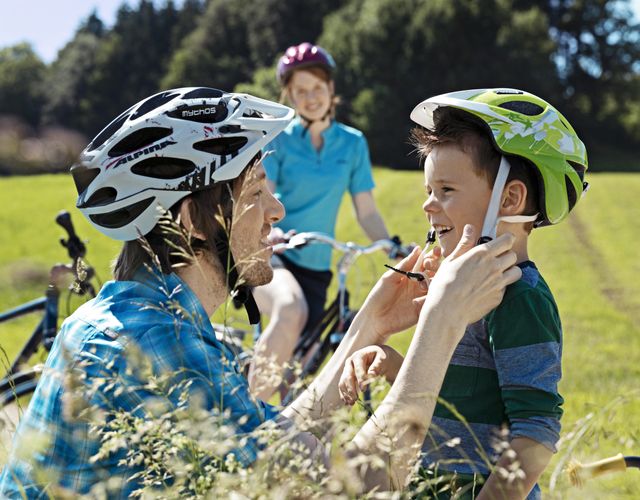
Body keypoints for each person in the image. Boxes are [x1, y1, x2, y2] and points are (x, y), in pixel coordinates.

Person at [0, 87, 522, 497]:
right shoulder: (154, 347)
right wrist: (442, 323)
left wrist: (370, 326)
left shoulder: (139, 319)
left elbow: (264, 450)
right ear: (193, 221)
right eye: (254, 193)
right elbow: (349, 487)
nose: (276, 210)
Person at [338, 88, 589, 499]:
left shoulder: (520, 299)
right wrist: (389, 362)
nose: (428, 206)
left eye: (446, 190)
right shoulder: (458, 289)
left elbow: (535, 433)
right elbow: (456, 391)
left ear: (510, 199)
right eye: (428, 191)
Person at [249, 42, 394, 401]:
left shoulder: (352, 144)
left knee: (299, 382)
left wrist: (393, 246)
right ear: (289, 94)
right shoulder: (279, 139)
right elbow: (263, 196)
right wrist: (274, 229)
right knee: (289, 308)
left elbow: (367, 211)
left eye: (317, 88)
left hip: (317, 268)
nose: (310, 98)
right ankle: (242, 421)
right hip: (274, 255)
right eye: (300, 91)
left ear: (331, 89)